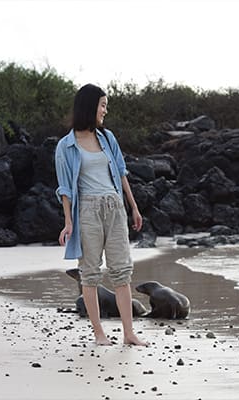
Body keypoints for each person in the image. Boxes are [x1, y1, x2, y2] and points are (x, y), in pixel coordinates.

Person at [55, 83, 147, 346]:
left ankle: (129, 334)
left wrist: (133, 207)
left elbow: (121, 172)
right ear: (89, 106)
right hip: (87, 211)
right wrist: (68, 222)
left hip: (115, 208)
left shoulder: (108, 138)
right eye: (103, 105)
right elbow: (64, 189)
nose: (105, 110)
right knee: (90, 273)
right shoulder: (66, 146)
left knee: (122, 271)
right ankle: (99, 334)